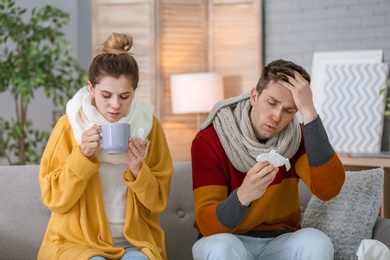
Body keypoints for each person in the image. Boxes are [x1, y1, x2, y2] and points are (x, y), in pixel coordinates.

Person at [191, 59, 346, 260]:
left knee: (317, 241)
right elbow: (207, 224)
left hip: (280, 240)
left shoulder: (296, 138)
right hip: (226, 238)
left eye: (289, 110)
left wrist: (309, 111)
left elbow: (329, 190)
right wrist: (243, 196)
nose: (276, 116)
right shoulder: (211, 139)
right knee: (222, 248)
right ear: (254, 96)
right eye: (271, 103)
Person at [38, 32, 173, 260]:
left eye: (125, 96)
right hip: (77, 243)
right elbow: (53, 198)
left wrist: (140, 171)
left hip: (134, 243)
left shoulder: (149, 127)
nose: (115, 105)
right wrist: (81, 155)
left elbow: (158, 202)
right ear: (90, 88)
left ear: (134, 93)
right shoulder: (70, 126)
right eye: (106, 95)